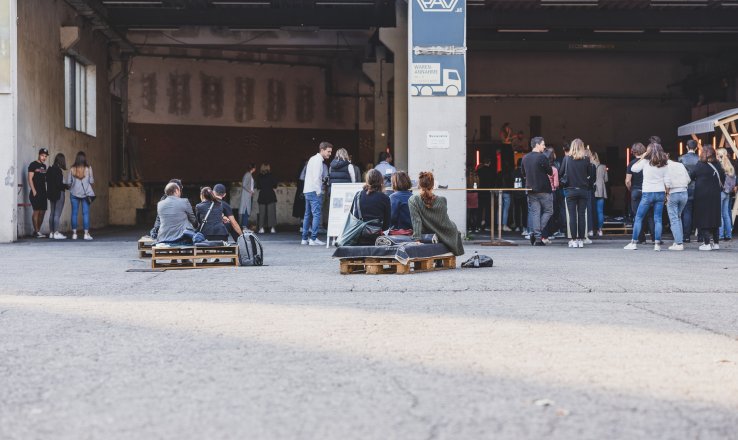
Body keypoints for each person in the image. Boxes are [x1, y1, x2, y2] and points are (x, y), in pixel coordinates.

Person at [624, 143, 669, 251]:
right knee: (658, 219)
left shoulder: (645, 162)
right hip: (660, 193)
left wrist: (643, 157)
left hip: (648, 193)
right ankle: (657, 244)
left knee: (639, 217)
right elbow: (667, 181)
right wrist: (667, 194)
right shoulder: (664, 163)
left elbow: (634, 169)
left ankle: (634, 243)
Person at [408, 171, 464, 256]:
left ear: (419, 185)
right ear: (433, 185)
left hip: (427, 232)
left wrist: (417, 240)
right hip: (446, 232)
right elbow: (444, 220)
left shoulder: (413, 200)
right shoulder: (442, 200)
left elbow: (416, 221)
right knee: (454, 227)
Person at [690, 145, 725, 251]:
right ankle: (716, 243)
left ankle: (706, 243)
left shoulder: (700, 164)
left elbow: (691, 176)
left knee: (703, 217)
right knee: (715, 216)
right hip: (715, 195)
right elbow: (723, 177)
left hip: (702, 195)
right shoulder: (718, 164)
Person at [559, 139, 593, 248]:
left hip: (570, 191)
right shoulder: (586, 159)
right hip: (583, 190)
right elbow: (590, 175)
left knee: (572, 215)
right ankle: (581, 240)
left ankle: (573, 240)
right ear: (582, 147)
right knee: (582, 215)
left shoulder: (567, 159)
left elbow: (560, 173)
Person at [521, 136, 553, 246]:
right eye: (543, 144)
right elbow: (550, 172)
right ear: (537, 144)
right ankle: (536, 235)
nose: (544, 147)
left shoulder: (524, 158)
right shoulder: (542, 157)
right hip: (543, 189)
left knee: (535, 213)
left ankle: (537, 237)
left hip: (530, 189)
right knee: (549, 211)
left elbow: (523, 174)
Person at [301, 141, 333, 245]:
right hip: (315, 191)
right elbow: (316, 178)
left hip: (307, 190)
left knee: (307, 215)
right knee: (316, 215)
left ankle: (304, 238)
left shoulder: (312, 159)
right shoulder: (319, 161)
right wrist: (319, 192)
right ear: (322, 150)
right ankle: (313, 238)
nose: (330, 153)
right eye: (328, 151)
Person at [626, 143, 654, 244]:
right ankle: (654, 238)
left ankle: (641, 238)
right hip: (647, 190)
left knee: (638, 216)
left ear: (633, 151)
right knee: (650, 215)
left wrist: (631, 189)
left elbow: (628, 181)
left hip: (635, 191)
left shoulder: (631, 164)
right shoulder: (648, 162)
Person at [353, 169, 391, 242]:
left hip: (359, 237)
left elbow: (355, 217)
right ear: (381, 181)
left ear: (367, 180)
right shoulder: (385, 198)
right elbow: (387, 224)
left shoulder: (358, 195)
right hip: (377, 238)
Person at [664, 155, 691, 251]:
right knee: (678, 216)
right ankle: (677, 241)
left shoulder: (665, 167)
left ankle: (679, 243)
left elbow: (667, 183)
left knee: (674, 219)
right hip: (684, 193)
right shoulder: (680, 165)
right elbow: (688, 179)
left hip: (673, 193)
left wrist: (667, 194)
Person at [66, 151, 95, 241]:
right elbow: (91, 181)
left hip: (74, 194)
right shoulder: (88, 168)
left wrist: (74, 185)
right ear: (84, 158)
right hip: (85, 195)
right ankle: (86, 234)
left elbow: (68, 182)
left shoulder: (72, 169)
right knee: (85, 213)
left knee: (74, 213)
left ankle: (74, 234)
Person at [679, 140, 699, 242]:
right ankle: (701, 236)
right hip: (699, 187)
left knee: (687, 212)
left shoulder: (681, 159)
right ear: (696, 148)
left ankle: (686, 236)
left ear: (686, 147)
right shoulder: (700, 159)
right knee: (699, 211)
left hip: (686, 187)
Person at [28, 147, 49, 237]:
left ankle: (37, 231)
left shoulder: (44, 166)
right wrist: (33, 191)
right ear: (39, 155)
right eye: (42, 155)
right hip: (35, 192)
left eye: (45, 156)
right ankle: (36, 231)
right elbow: (30, 178)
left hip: (43, 192)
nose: (44, 157)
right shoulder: (33, 164)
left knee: (43, 211)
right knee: (36, 211)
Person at [46, 153, 68, 240]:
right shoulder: (58, 171)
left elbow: (47, 181)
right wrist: (66, 186)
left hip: (51, 193)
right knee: (57, 214)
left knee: (52, 213)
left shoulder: (50, 169)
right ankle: (56, 233)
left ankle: (51, 232)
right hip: (59, 194)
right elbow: (59, 184)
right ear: (61, 161)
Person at [716, 148, 736, 241]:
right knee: (726, 214)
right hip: (728, 192)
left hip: (720, 192)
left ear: (718, 155)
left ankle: (720, 235)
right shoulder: (730, 165)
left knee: (719, 214)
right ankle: (728, 235)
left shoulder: (719, 166)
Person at [541, 147, 559, 243]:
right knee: (550, 214)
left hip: (542, 192)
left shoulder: (541, 168)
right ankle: (549, 234)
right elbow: (556, 184)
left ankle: (543, 235)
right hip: (552, 192)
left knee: (543, 213)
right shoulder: (554, 169)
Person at [256, 163, 278, 234]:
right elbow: (275, 185)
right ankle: (272, 228)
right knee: (271, 213)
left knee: (262, 213)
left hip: (262, 195)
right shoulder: (272, 175)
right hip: (270, 195)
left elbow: (258, 186)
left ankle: (261, 228)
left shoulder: (259, 176)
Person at [591, 152, 608, 236]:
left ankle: (591, 229)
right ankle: (600, 230)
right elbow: (606, 179)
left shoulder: (590, 165)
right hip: (601, 190)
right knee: (600, 211)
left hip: (592, 190)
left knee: (591, 211)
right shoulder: (603, 167)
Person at [476, 157, 495, 230]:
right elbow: (493, 182)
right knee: (488, 209)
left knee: (480, 209)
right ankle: (487, 225)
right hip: (489, 192)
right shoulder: (492, 171)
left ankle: (478, 225)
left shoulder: (479, 171)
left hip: (480, 191)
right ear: (489, 162)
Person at [239, 163, 256, 231]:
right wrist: (250, 191)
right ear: (253, 168)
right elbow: (244, 185)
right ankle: (244, 226)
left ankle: (244, 226)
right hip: (246, 195)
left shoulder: (249, 175)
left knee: (246, 210)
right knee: (246, 209)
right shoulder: (248, 175)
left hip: (247, 195)